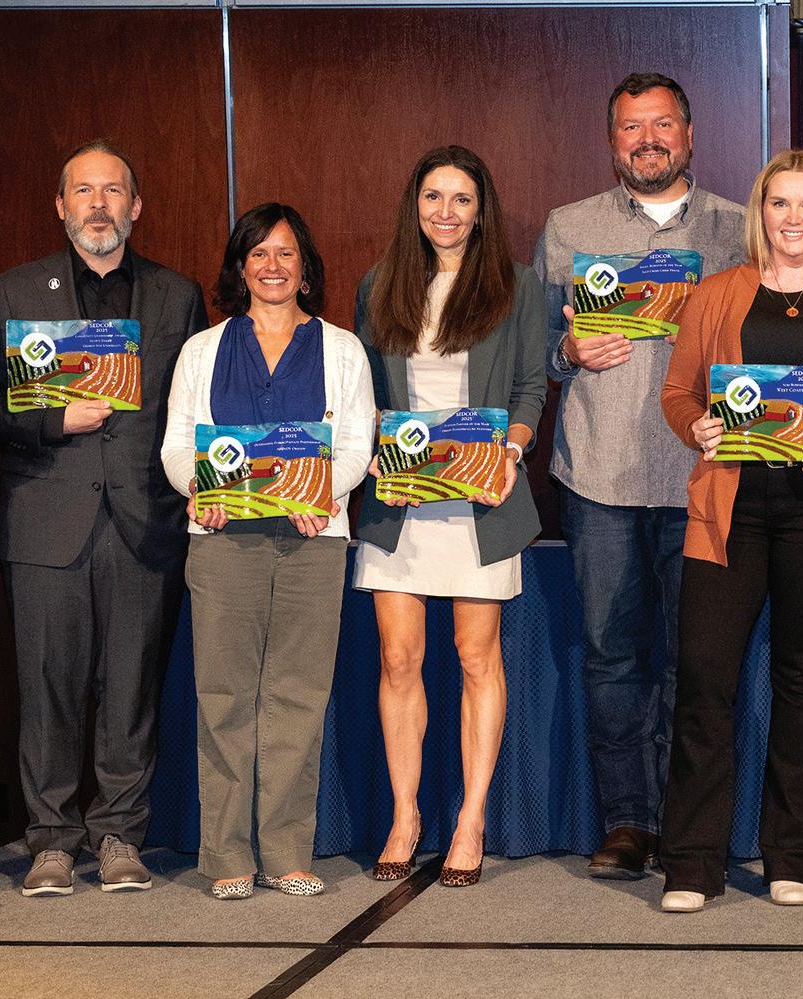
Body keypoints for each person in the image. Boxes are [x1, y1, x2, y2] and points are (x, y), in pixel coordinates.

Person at [653, 150, 803, 913]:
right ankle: (692, 862)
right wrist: (696, 426)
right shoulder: (718, 295)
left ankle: (791, 855)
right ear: (759, 212)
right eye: (779, 203)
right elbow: (678, 391)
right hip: (728, 512)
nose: (793, 218)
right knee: (704, 679)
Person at [0, 140, 209, 897]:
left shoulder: (177, 296)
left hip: (144, 518)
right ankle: (49, 840)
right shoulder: (16, 291)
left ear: (136, 206)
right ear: (60, 205)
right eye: (83, 190)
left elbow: (198, 408)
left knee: (131, 688)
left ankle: (119, 835)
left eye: (112, 191)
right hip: (46, 520)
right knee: (48, 686)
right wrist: (52, 420)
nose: (98, 204)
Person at [534, 73, 750, 878]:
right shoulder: (568, 226)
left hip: (704, 476)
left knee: (697, 661)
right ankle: (627, 821)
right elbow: (538, 355)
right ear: (611, 140)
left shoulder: (739, 227)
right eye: (631, 127)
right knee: (611, 657)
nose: (647, 139)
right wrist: (567, 351)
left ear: (689, 135)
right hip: (600, 481)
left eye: (661, 124)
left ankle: (686, 822)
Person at [161, 203, 376, 901]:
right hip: (224, 540)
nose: (272, 266)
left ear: (305, 268)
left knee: (297, 696)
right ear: (240, 267)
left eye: (286, 253)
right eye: (258, 253)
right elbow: (176, 443)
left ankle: (286, 852)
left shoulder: (342, 349)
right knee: (224, 695)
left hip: (314, 541)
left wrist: (323, 491)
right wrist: (200, 486)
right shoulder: (202, 350)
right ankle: (226, 854)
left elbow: (356, 445)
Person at [351, 147, 550, 888]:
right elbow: (366, 394)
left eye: (461, 199)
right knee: (398, 658)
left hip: (481, 500)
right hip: (400, 503)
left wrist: (511, 452)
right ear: (415, 204)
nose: (446, 212)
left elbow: (530, 387)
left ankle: (471, 818)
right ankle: (405, 815)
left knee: (474, 657)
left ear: (480, 210)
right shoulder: (379, 284)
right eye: (433, 196)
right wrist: (373, 447)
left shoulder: (516, 286)